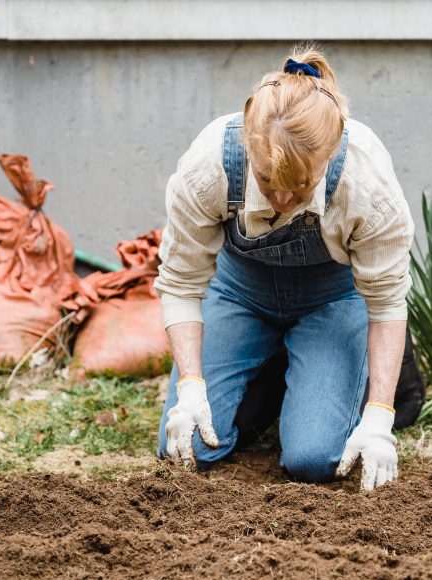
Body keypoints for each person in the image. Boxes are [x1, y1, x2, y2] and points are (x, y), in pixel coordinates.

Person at [153, 46, 413, 491]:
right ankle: (278, 368)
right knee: (188, 449)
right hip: (240, 292)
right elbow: (180, 284)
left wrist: (379, 417)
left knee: (314, 460)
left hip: (332, 299)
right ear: (249, 149)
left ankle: (334, 371)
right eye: (268, 182)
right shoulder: (210, 165)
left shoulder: (366, 181)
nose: (282, 201)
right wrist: (192, 387)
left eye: (300, 186)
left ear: (328, 157)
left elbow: (387, 303)